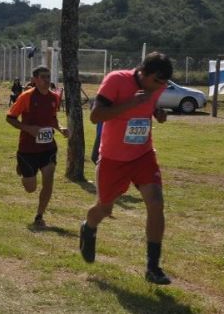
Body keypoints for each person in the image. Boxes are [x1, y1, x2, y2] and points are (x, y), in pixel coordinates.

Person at [79, 52, 173, 285]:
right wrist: (132, 103)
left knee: (156, 202)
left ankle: (153, 267)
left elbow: (148, 105)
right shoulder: (116, 80)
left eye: (163, 83)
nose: (160, 87)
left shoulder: (157, 87)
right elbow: (95, 116)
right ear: (143, 73)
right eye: (157, 82)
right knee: (104, 208)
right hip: (113, 158)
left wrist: (156, 113)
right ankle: (88, 228)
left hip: (143, 154)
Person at [6, 66, 68, 227]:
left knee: (48, 180)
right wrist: (29, 129)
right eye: (43, 77)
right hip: (27, 149)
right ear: (34, 79)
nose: (46, 80)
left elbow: (53, 118)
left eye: (48, 76)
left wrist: (60, 129)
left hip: (48, 148)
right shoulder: (26, 97)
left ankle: (39, 216)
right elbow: (10, 118)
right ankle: (22, 168)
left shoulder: (55, 97)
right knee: (30, 188)